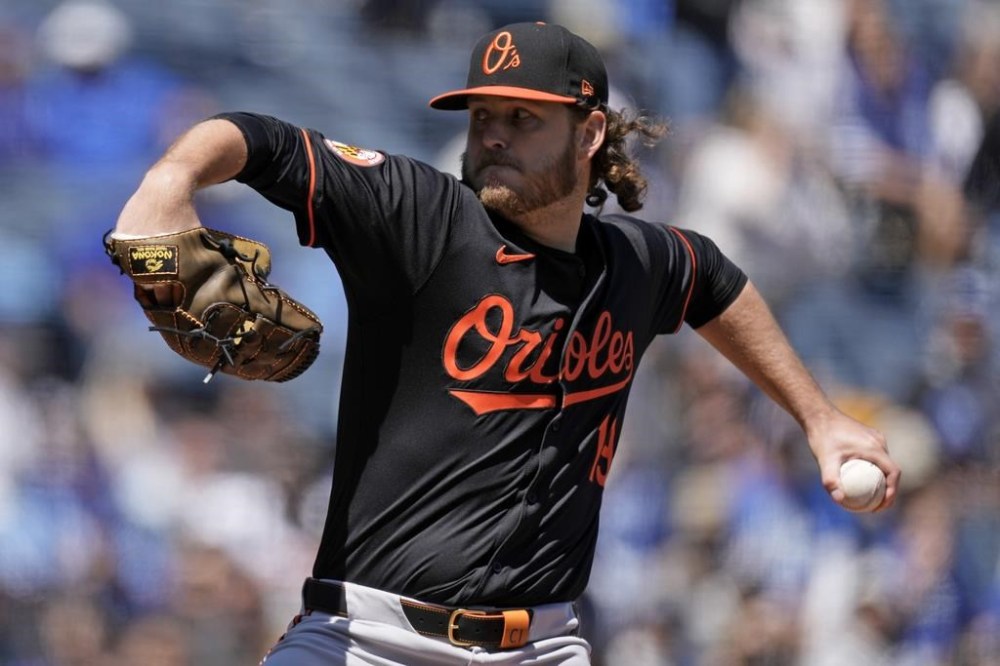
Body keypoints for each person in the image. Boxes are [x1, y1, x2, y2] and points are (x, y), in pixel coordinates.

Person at [112, 21, 900, 666]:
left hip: (543, 647)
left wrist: (819, 418)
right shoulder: (419, 216)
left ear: (590, 131)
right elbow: (261, 139)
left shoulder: (636, 263)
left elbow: (716, 283)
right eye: (483, 116)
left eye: (523, 118)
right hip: (368, 639)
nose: (493, 135)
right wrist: (167, 186)